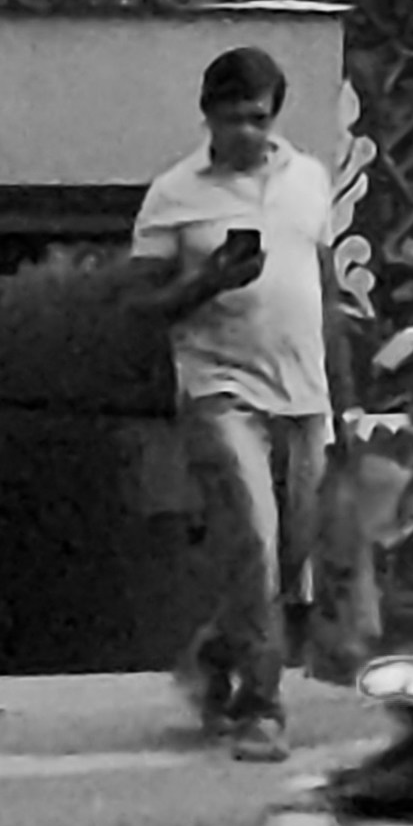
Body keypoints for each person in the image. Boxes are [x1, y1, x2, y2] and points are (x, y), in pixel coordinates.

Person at [131, 44, 343, 761]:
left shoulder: (310, 180)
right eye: (230, 120)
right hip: (219, 390)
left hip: (303, 390)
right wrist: (207, 281)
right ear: (207, 118)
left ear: (274, 117)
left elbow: (325, 286)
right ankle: (260, 705)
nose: (244, 134)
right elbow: (136, 304)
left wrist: (347, 392)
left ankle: (216, 652)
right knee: (253, 537)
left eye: (256, 119)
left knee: (289, 552)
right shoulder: (174, 194)